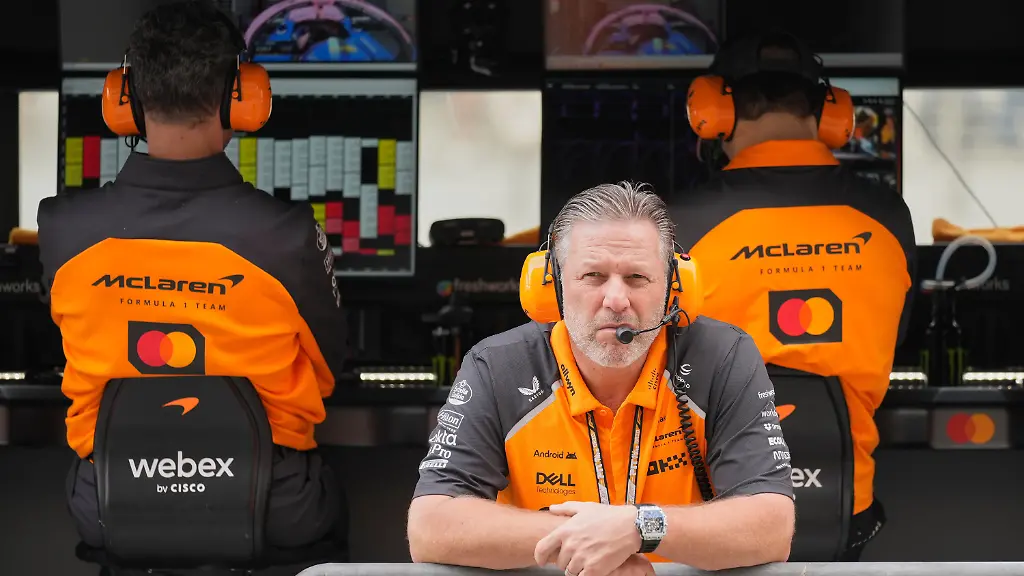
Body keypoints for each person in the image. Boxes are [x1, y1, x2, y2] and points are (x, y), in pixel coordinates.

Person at [36, 1, 347, 552]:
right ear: (243, 97)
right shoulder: (286, 234)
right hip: (273, 504)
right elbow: (328, 366)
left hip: (108, 502)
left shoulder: (62, 230)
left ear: (122, 101)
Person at [407, 182, 795, 575]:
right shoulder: (496, 366)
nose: (616, 299)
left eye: (637, 278)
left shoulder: (724, 357)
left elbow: (772, 526)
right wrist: (590, 538)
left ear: (675, 288)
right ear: (552, 287)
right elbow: (431, 525)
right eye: (593, 275)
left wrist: (639, 528)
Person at [672, 31, 916, 560]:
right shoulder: (888, 218)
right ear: (834, 113)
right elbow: (898, 335)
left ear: (712, 111)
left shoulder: (678, 224)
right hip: (844, 502)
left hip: (711, 506)